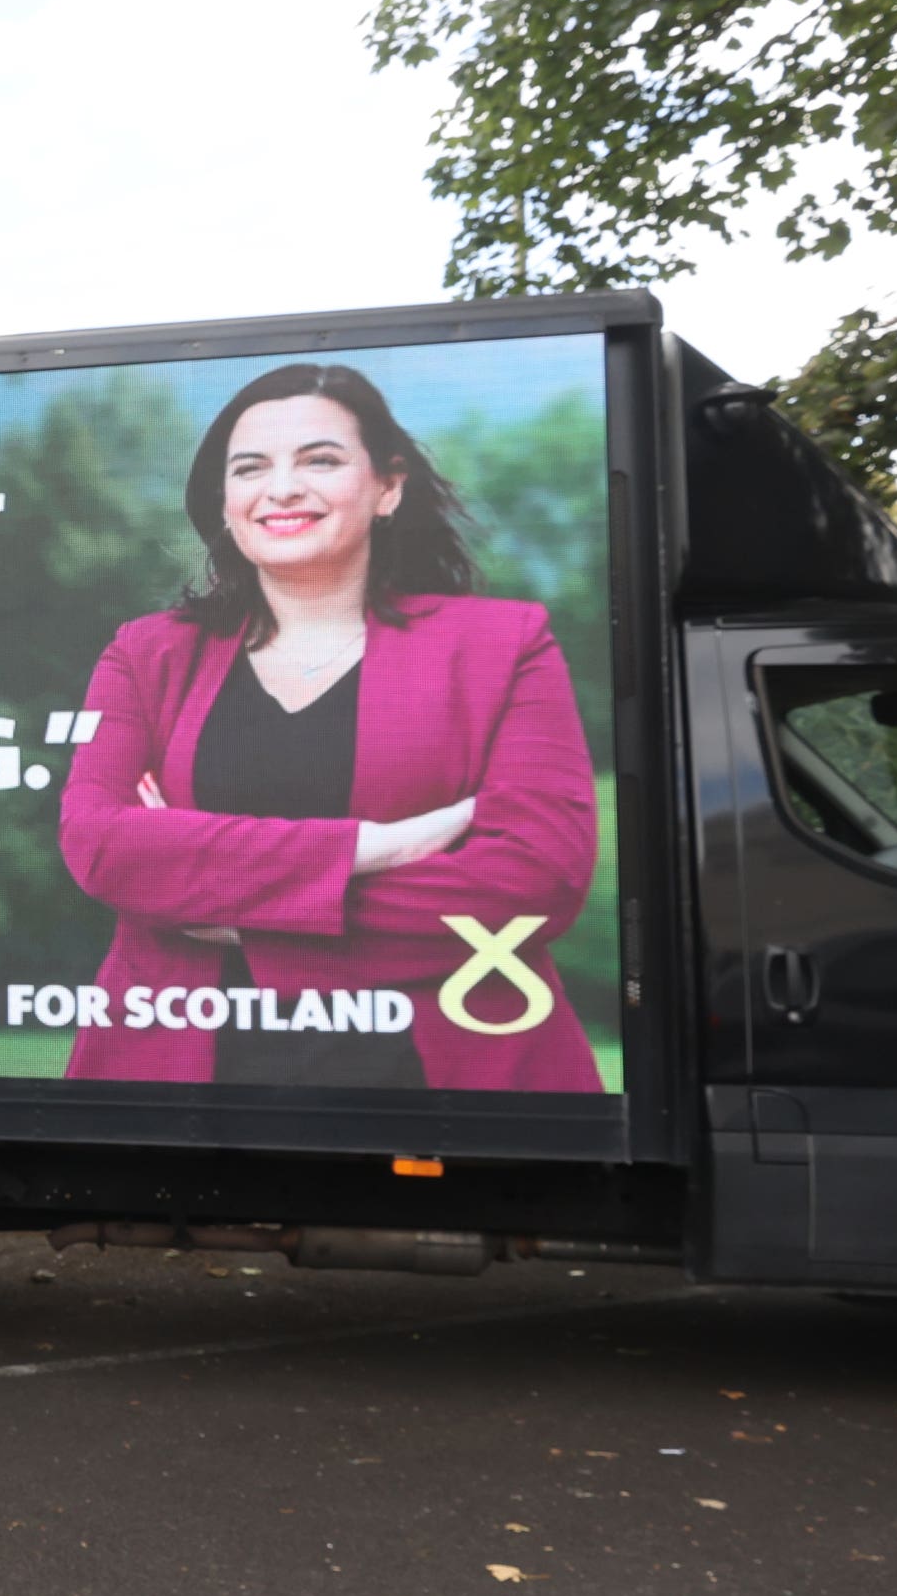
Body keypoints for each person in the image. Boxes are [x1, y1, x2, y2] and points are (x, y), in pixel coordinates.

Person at [57, 362, 602, 1091]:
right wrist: (376, 848)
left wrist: (238, 913)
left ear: (389, 485)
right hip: (178, 1086)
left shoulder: (504, 645)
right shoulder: (147, 652)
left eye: (320, 459)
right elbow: (102, 845)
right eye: (250, 467)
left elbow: (534, 882)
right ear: (225, 501)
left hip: (452, 1090)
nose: (281, 487)